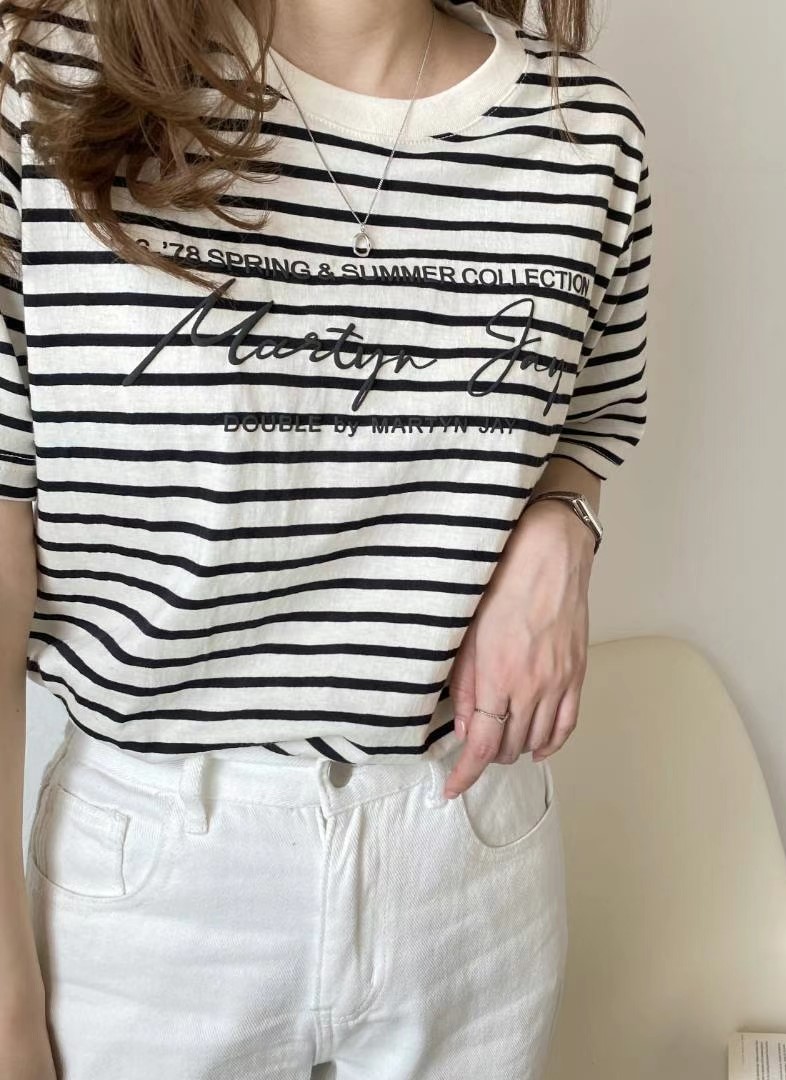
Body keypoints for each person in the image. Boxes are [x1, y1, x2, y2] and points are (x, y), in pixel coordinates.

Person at [0, 0, 653, 1075]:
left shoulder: (585, 135)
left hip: (468, 858)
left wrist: (563, 525)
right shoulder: (50, 79)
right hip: (154, 896)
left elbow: (592, 417)